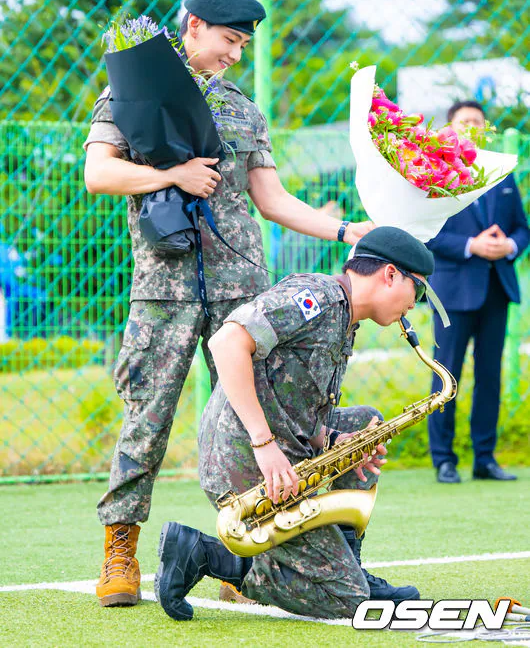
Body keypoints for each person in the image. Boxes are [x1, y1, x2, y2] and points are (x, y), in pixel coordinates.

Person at [83, 0, 373, 608]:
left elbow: (271, 199)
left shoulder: (244, 108)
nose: (235, 54)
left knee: (252, 419)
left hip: (242, 292)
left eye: (243, 44)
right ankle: (120, 553)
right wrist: (171, 175)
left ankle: (250, 551)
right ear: (192, 25)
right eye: (229, 40)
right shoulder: (133, 87)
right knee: (146, 418)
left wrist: (347, 230)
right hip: (163, 289)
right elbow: (98, 172)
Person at [154, 226, 434, 621]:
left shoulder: (345, 317)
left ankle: (348, 565)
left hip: (278, 447)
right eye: (417, 291)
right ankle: (206, 555)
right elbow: (226, 343)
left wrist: (333, 440)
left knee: (366, 423)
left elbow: (293, 398)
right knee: (349, 600)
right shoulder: (315, 298)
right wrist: (263, 444)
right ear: (390, 274)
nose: (414, 306)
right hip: (244, 457)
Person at [426, 100, 530, 484]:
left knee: (489, 376)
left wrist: (509, 246)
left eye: (478, 122)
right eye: (464, 121)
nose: (472, 127)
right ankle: (444, 460)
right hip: (452, 292)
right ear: (449, 129)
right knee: (446, 375)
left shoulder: (501, 172)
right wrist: (473, 245)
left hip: (496, 289)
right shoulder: (435, 172)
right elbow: (428, 233)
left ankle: (485, 458)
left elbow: (522, 228)